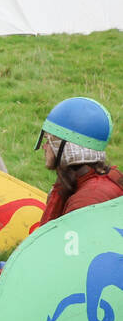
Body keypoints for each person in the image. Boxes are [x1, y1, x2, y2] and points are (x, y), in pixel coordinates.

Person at [33, 97, 121, 227]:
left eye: (49, 141)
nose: (44, 147)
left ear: (66, 147)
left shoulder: (87, 200)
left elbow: (67, 245)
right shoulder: (83, 183)